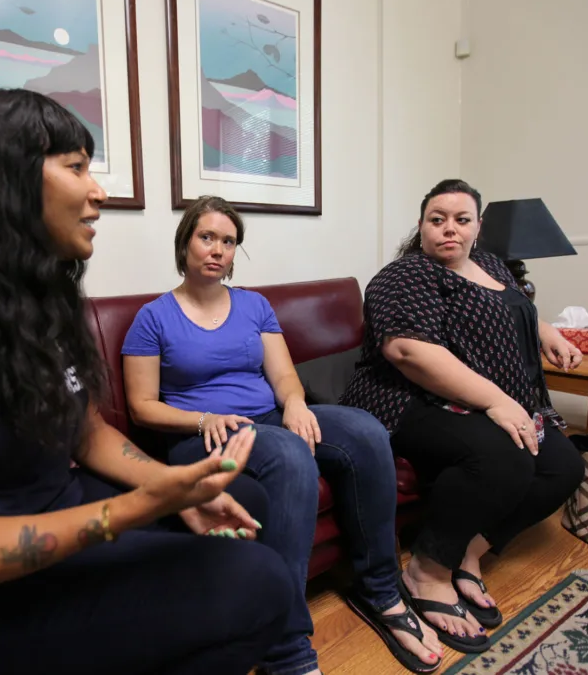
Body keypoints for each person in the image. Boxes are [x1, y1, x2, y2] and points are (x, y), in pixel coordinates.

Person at [0, 90, 296, 675]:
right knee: (260, 585)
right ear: (4, 178)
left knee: (240, 501)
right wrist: (133, 509)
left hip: (49, 512)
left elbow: (85, 430)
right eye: (76, 167)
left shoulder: (31, 293)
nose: (98, 192)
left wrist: (174, 485)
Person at [121, 196, 444, 675]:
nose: (217, 250)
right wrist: (203, 420)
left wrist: (294, 404)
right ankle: (284, 642)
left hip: (267, 417)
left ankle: (381, 590)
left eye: (228, 241)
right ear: (184, 242)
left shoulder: (254, 305)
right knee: (293, 456)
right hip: (202, 435)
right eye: (206, 237)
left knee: (367, 430)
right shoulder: (154, 317)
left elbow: (284, 375)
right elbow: (142, 407)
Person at [340, 179, 585, 652]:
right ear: (421, 225)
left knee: (563, 465)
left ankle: (466, 552)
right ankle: (426, 572)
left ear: (477, 227)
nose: (449, 229)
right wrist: (495, 401)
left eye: (461, 219)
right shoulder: (405, 275)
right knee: (504, 457)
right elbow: (407, 350)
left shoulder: (491, 264)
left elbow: (515, 305)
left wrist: (547, 331)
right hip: (406, 398)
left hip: (492, 395)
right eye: (437, 219)